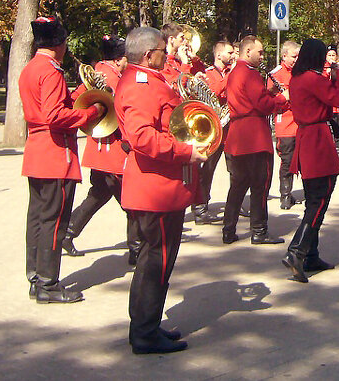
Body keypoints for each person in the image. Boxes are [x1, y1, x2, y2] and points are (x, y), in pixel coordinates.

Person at [115, 26, 207, 355]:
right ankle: (143, 332)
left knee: (157, 260)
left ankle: (147, 324)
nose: (163, 52)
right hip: (157, 187)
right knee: (157, 260)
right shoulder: (140, 85)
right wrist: (185, 151)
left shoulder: (146, 80)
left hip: (160, 185)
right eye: (159, 49)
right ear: (147, 54)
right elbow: (142, 138)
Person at [19, 17, 107, 304]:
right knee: (54, 221)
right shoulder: (51, 71)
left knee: (37, 218)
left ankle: (36, 277)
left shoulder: (31, 68)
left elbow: (51, 105)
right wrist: (91, 113)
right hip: (56, 153)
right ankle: (48, 283)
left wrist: (82, 93)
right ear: (59, 44)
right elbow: (54, 116)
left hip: (37, 151)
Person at [62, 36, 141, 264]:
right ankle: (136, 249)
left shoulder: (98, 73)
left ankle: (69, 232)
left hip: (98, 150)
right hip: (112, 150)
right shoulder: (113, 78)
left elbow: (75, 98)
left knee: (98, 195)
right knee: (131, 201)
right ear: (118, 60)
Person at [282, 38, 339, 282]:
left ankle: (311, 254)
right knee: (319, 198)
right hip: (316, 139)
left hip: (308, 136)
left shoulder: (299, 78)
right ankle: (297, 251)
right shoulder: (312, 79)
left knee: (315, 197)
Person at [223, 35, 287, 245]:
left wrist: (268, 93)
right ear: (248, 51)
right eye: (259, 52)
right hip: (254, 136)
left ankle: (228, 229)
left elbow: (250, 98)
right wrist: (281, 98)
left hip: (237, 136)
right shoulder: (250, 74)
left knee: (238, 186)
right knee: (260, 185)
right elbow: (262, 105)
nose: (262, 56)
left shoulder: (235, 72)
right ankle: (259, 230)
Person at [192, 39, 234, 224]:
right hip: (213, 129)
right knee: (207, 170)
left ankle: (235, 203)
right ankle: (201, 206)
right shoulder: (208, 74)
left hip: (231, 128)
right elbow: (212, 92)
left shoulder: (232, 73)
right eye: (230, 53)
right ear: (218, 55)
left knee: (236, 169)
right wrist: (230, 78)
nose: (233, 56)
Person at [270, 40, 300, 209]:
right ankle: (285, 195)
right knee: (287, 161)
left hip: (300, 123)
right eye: (293, 57)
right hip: (286, 124)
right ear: (284, 56)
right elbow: (268, 101)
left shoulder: (300, 72)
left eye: (298, 56)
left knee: (302, 160)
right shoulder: (276, 74)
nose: (296, 60)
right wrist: (284, 97)